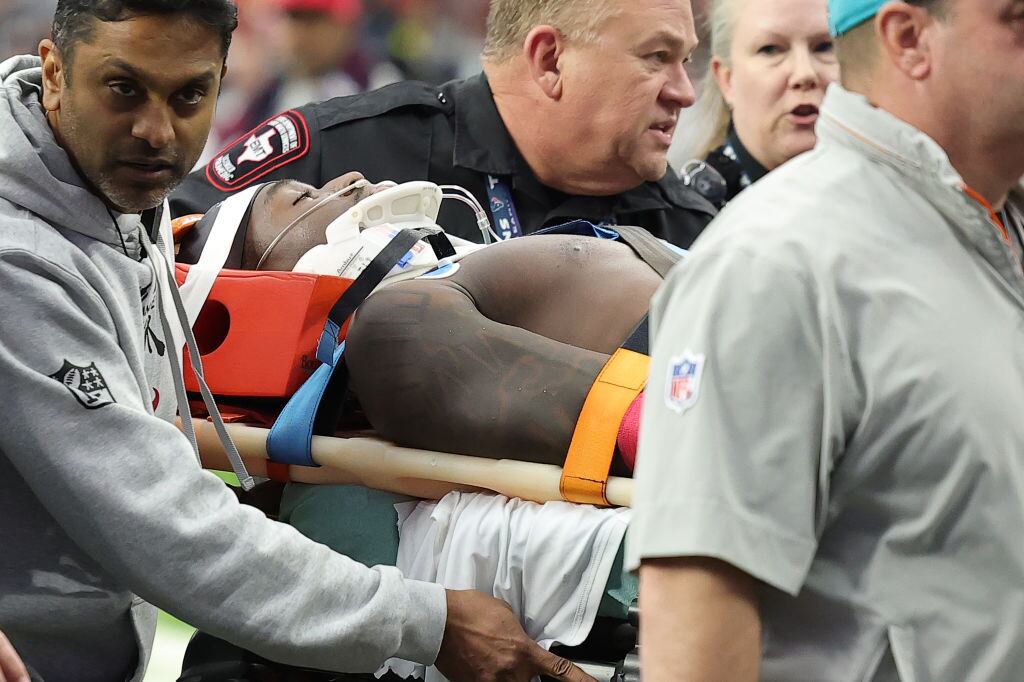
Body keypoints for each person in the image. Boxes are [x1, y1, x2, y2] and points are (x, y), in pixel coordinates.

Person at [0, 2, 594, 682]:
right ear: (52, 71)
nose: (155, 129)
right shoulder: (22, 259)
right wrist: (424, 621)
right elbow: (159, 525)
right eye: (123, 88)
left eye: (190, 94)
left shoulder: (109, 193)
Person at [628, 0, 1024, 679]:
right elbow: (695, 626)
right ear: (909, 38)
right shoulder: (775, 264)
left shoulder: (996, 227)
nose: (798, 74)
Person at [169, 0, 716, 248]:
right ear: (550, 61)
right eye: (655, 58)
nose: (684, 92)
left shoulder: (695, 238)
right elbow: (160, 246)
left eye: (684, 59)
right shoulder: (342, 150)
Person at [673, 0, 838, 206]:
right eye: (771, 49)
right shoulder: (692, 225)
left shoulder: (882, 196)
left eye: (825, 46)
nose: (804, 73)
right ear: (727, 79)